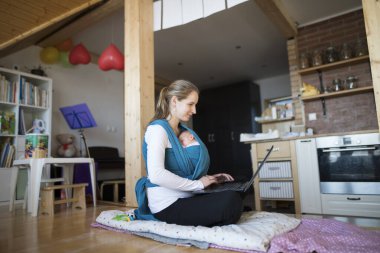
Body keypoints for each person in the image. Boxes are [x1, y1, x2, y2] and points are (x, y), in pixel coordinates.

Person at [134, 79, 243, 227]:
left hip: (188, 196)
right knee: (230, 201)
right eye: (190, 104)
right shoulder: (158, 130)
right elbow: (156, 174)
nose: (195, 110)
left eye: (195, 105)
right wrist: (198, 184)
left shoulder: (182, 131)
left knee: (237, 189)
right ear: (174, 101)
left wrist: (208, 179)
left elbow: (184, 170)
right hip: (167, 204)